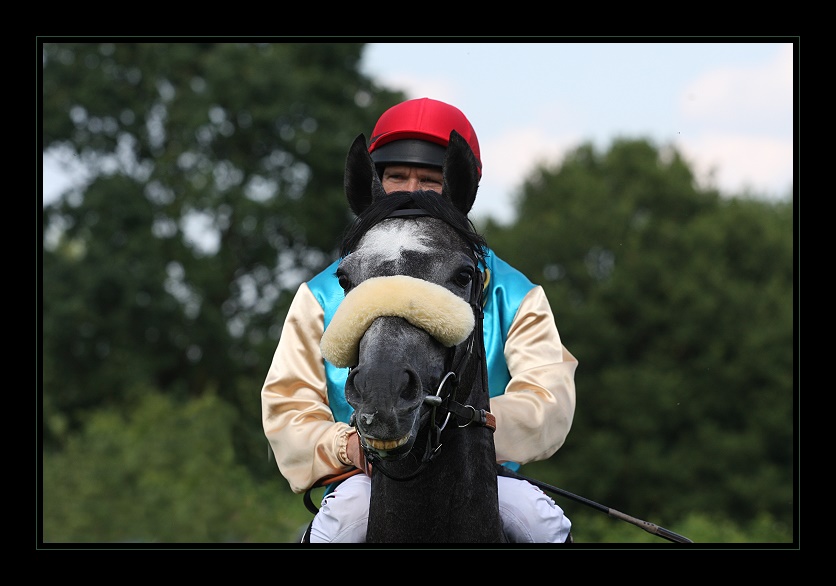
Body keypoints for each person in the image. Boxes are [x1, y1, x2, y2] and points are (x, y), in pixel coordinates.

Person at [261, 98, 578, 543]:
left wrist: (465, 433)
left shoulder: (515, 293)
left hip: (480, 477)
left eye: (430, 179)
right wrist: (346, 446)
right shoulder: (319, 295)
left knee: (539, 520)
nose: (412, 191)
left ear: (459, 188)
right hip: (364, 478)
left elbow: (549, 398)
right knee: (344, 522)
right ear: (375, 182)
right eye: (397, 176)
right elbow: (288, 405)